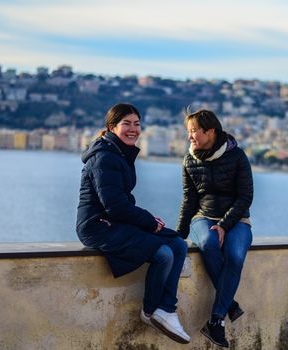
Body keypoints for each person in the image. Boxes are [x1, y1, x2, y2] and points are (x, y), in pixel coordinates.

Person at [76, 103, 191, 344]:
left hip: (115, 221)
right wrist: (148, 222)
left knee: (178, 243)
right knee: (164, 254)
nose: (133, 129)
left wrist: (148, 221)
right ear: (111, 127)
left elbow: (120, 204)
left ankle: (166, 309)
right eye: (126, 123)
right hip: (98, 226)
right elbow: (114, 205)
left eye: (136, 124)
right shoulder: (104, 157)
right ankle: (150, 312)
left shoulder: (119, 153)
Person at [176, 109, 253, 348]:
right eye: (188, 131)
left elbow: (245, 197)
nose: (190, 137)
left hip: (238, 219)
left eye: (193, 131)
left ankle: (216, 321)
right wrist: (178, 234)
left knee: (235, 256)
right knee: (209, 244)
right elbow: (189, 200)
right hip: (203, 218)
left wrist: (224, 225)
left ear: (210, 131)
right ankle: (228, 304)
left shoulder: (237, 156)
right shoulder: (189, 160)